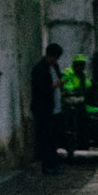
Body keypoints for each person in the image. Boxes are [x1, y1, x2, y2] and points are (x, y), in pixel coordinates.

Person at [30, 43, 65, 176]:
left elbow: (58, 80)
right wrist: (53, 86)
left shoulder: (54, 67)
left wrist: (60, 85)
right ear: (50, 56)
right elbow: (40, 89)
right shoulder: (39, 69)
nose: (56, 61)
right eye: (55, 58)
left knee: (54, 138)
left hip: (55, 107)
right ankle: (47, 166)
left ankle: (54, 164)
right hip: (44, 109)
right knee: (45, 139)